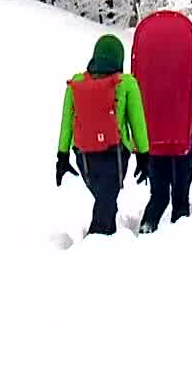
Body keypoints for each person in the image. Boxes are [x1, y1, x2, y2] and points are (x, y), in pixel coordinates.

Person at [57, 34, 150, 237]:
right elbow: (138, 123)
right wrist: (144, 155)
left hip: (83, 155)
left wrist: (62, 155)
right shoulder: (126, 83)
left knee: (105, 200)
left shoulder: (76, 82)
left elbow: (66, 121)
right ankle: (95, 246)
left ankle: (109, 239)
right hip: (114, 153)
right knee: (105, 206)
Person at [137, 62, 192, 233]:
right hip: (186, 145)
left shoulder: (151, 67)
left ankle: (147, 228)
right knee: (181, 196)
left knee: (159, 196)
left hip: (155, 143)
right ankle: (179, 237)